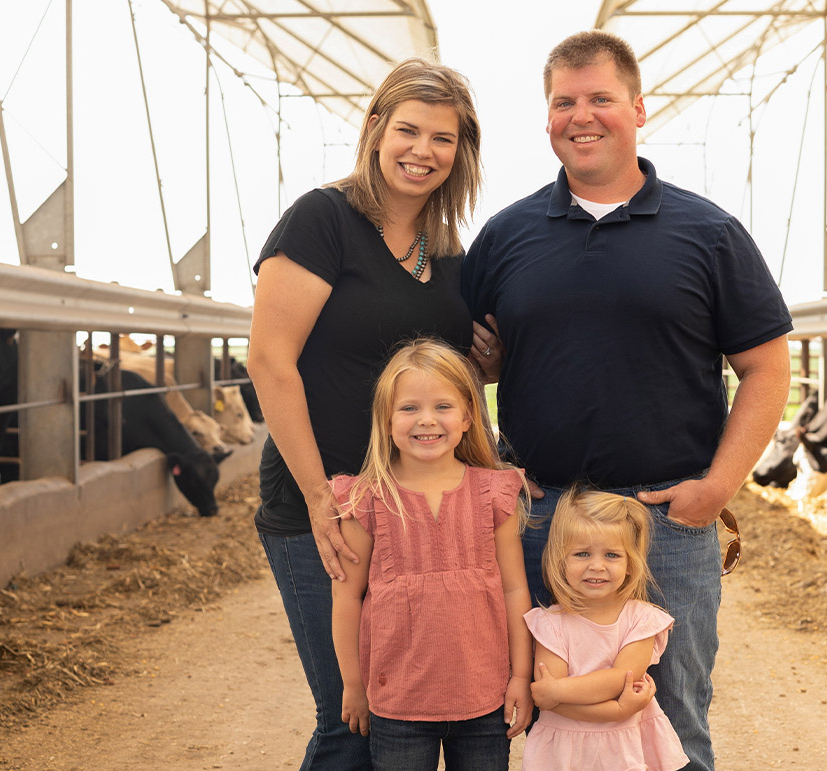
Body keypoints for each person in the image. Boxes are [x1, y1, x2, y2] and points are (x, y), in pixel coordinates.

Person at [461, 30, 793, 771]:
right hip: (542, 519)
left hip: (666, 520)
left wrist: (718, 487)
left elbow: (768, 368)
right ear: (546, 118)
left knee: (672, 722)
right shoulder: (507, 236)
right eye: (564, 102)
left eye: (601, 99)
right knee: (537, 710)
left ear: (639, 108)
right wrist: (493, 467)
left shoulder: (709, 233)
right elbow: (453, 374)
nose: (582, 116)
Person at [247, 59, 498, 770]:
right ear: (375, 128)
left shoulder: (448, 254)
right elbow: (270, 361)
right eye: (409, 130)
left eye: (443, 139)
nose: (423, 151)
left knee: (404, 715)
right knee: (350, 719)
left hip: (416, 508)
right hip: (323, 502)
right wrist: (320, 502)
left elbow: (448, 374)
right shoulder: (323, 220)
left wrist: (491, 361)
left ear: (461, 152)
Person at [328, 339, 534, 770]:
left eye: (442, 406)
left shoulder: (493, 492)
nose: (426, 420)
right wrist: (352, 685)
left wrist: (520, 677)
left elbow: (515, 590)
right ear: (385, 420)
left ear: (467, 418)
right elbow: (347, 598)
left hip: (484, 698)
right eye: (408, 409)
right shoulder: (366, 499)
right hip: (397, 702)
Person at [523, 488, 689, 771]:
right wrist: (617, 710)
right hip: (563, 753)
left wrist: (562, 692)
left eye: (612, 555)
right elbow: (549, 701)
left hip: (623, 750)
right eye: (582, 553)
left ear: (629, 564)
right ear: (560, 559)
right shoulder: (549, 623)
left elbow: (620, 678)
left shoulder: (641, 620)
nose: (596, 566)